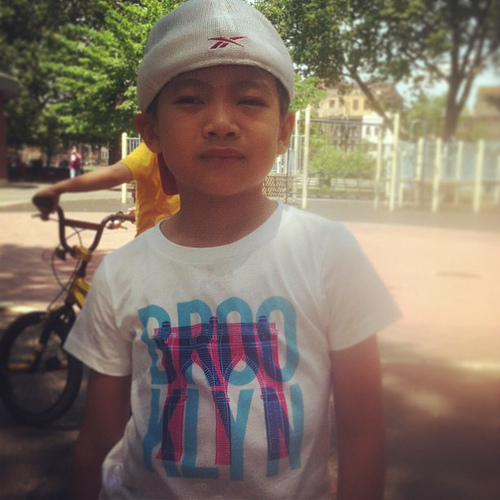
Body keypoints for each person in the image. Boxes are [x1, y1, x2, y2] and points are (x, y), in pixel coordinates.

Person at [65, 1, 401, 499]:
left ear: (284, 130)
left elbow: (363, 433)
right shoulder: (121, 274)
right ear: (150, 131)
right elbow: (96, 442)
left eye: (249, 100)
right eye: (190, 100)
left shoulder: (328, 254)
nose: (221, 122)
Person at [33, 142, 180, 236]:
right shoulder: (187, 152)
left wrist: (57, 189)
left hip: (154, 245)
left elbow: (115, 175)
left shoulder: (153, 148)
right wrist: (141, 211)